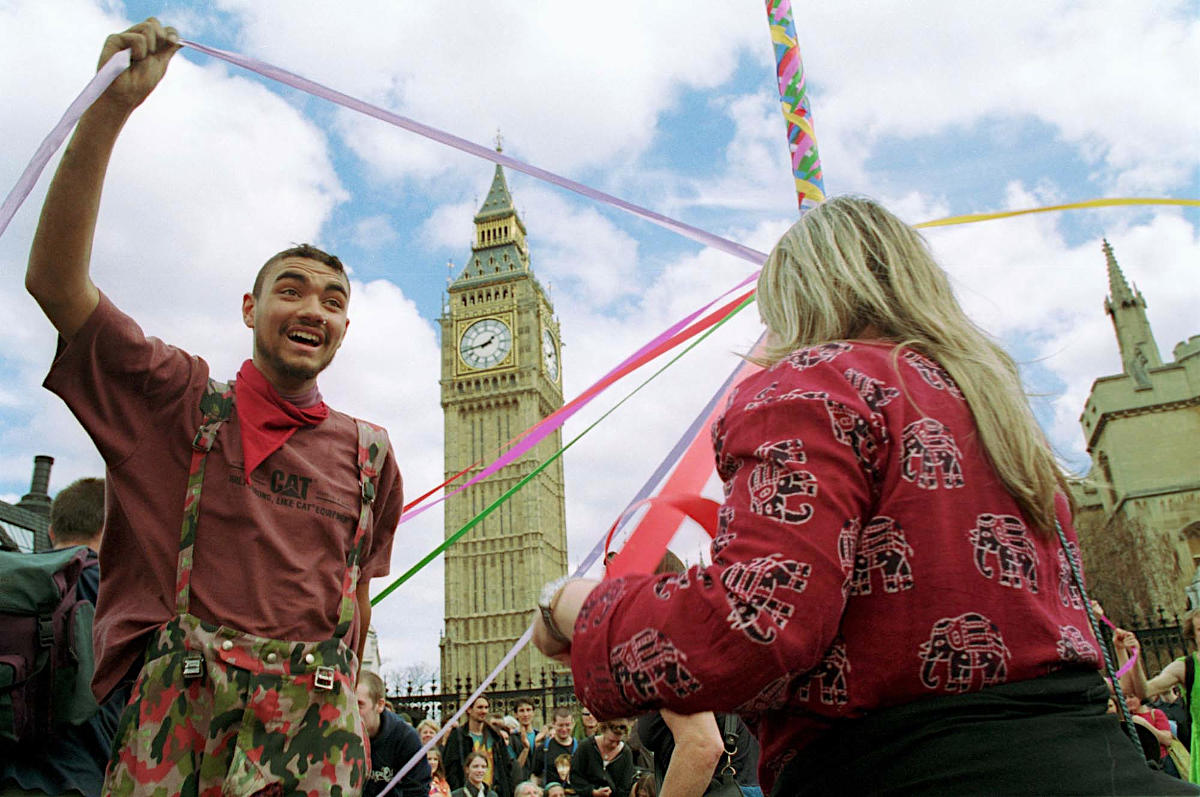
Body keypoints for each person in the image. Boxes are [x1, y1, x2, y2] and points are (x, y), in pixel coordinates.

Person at [532, 195, 1197, 795]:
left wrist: (575, 606)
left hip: (902, 772)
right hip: (1098, 766)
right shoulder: (1002, 416)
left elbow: (757, 623)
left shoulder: (812, 385)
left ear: (797, 298)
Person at [24, 19, 404, 795]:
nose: (314, 308)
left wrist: (353, 703)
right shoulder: (179, 398)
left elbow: (357, 595)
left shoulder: (372, 453)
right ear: (248, 307)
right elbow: (57, 285)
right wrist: (111, 110)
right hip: (181, 721)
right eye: (291, 288)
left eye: (334, 299)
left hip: (316, 735)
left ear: (345, 328)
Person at [0, 478, 113, 796]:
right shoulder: (112, 589)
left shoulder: (17, 583)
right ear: (111, 529)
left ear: (51, 531)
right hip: (80, 777)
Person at [358, 670, 432, 797]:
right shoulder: (337, 736)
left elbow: (417, 791)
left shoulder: (405, 738)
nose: (352, 712)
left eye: (359, 705)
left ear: (380, 705)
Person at [444, 695, 514, 796]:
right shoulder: (458, 736)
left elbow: (505, 768)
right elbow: (450, 768)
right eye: (480, 707)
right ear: (469, 709)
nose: (484, 711)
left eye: (486, 707)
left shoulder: (496, 737)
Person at [569, 719, 634, 797]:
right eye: (611, 741)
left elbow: (625, 785)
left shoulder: (625, 753)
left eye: (618, 742)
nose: (614, 745)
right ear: (603, 732)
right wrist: (592, 792)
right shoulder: (586, 747)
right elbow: (575, 776)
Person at [533, 708, 577, 786]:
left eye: (567, 725)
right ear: (553, 724)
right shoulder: (543, 749)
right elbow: (536, 776)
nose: (564, 729)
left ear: (573, 724)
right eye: (560, 725)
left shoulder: (581, 748)